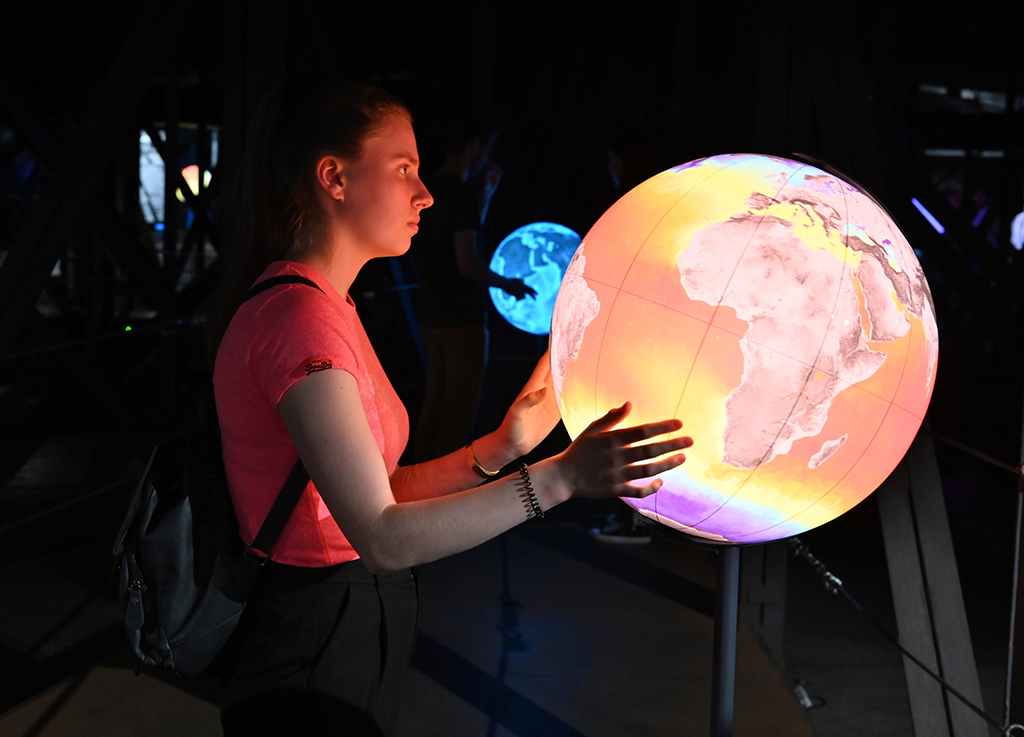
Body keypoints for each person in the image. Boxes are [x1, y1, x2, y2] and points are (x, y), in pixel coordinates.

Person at [206, 78, 693, 737]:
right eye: (403, 168)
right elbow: (381, 536)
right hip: (307, 641)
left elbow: (385, 491)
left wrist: (500, 446)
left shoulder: (329, 307)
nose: (425, 193)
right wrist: (561, 478)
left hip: (344, 625)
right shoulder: (299, 322)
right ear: (334, 177)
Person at [411, 114, 535, 462]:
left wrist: (485, 194)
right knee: (459, 412)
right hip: (461, 319)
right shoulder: (462, 195)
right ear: (475, 146)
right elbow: (467, 262)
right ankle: (445, 493)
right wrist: (508, 284)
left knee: (433, 405)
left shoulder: (427, 190)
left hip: (430, 314)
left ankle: (416, 481)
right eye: (487, 148)